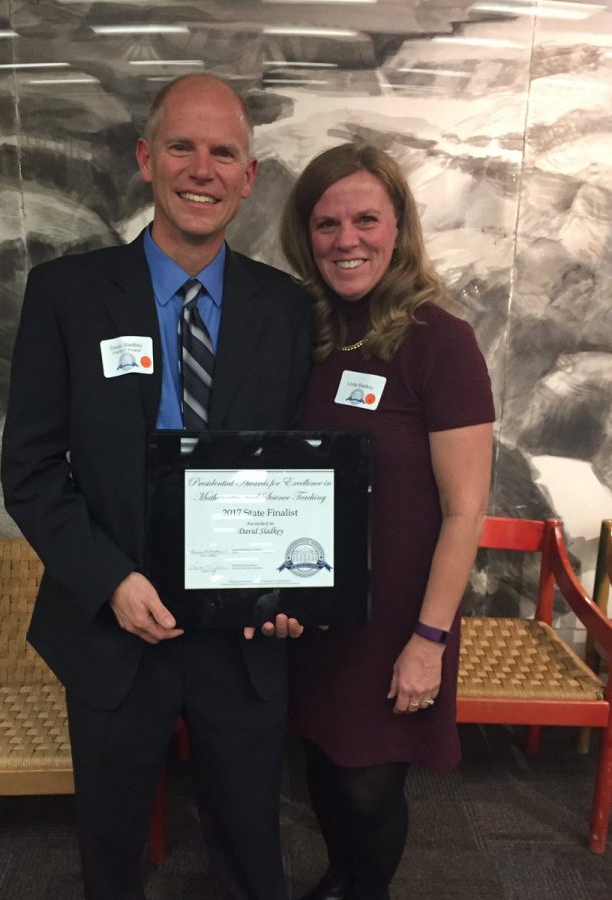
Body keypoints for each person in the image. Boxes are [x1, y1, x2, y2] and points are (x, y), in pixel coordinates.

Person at [1, 74, 313, 900]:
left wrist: (292, 580)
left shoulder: (285, 309)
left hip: (241, 633)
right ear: (147, 157)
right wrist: (109, 580)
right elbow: (29, 472)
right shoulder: (65, 296)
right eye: (182, 146)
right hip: (111, 626)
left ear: (249, 175)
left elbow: (296, 469)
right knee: (109, 851)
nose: (200, 169)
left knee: (252, 845)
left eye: (223, 153)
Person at [280, 143, 495, 900]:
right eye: (326, 223)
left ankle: (360, 890)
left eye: (366, 219)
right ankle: (340, 880)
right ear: (304, 234)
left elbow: (466, 509)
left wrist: (428, 642)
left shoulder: (439, 342)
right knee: (323, 765)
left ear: (398, 228)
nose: (347, 240)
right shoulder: (298, 334)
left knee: (370, 785)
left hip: (400, 615)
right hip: (312, 605)